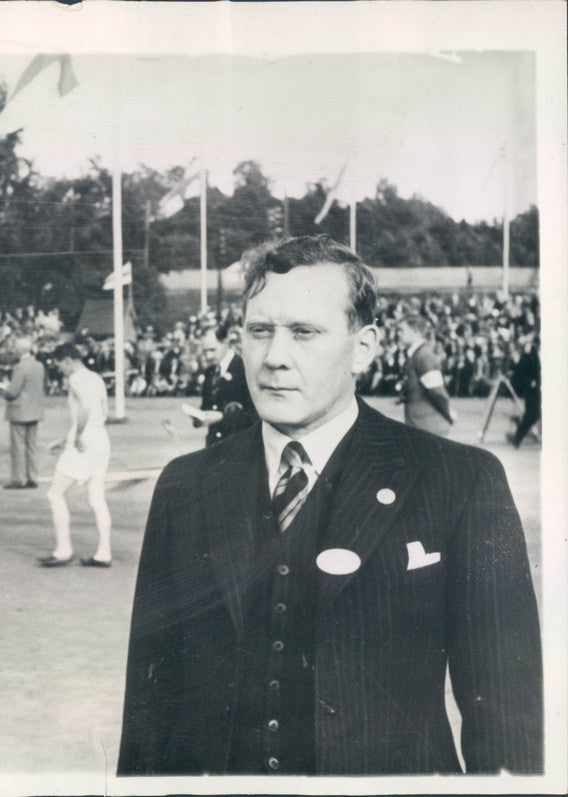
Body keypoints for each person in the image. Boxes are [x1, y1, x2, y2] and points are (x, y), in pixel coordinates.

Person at [118, 234, 541, 775]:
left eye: (304, 333)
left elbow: (508, 715)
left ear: (362, 348)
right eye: (259, 331)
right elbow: (149, 710)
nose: (274, 357)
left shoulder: (461, 480)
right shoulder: (185, 484)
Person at [40, 343, 113, 568]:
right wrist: (66, 439)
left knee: (55, 494)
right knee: (97, 499)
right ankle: (104, 553)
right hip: (100, 440)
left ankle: (63, 550)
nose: (60, 369)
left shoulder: (76, 379)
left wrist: (77, 436)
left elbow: (84, 409)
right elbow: (103, 412)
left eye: (60, 364)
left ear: (69, 360)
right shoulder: (96, 378)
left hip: (84, 442)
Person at [197, 321, 257, 445]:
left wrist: (222, 417)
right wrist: (199, 418)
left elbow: (256, 415)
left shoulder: (245, 369)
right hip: (214, 445)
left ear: (226, 343)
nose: (208, 356)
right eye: (205, 351)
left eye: (212, 350)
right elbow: (207, 407)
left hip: (239, 445)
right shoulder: (210, 372)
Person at [396, 315, 454, 437]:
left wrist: (448, 414)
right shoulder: (415, 355)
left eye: (402, 330)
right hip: (419, 426)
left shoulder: (424, 355)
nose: (398, 334)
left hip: (428, 428)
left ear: (416, 331)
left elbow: (437, 392)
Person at [2, 335, 46, 489]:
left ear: (19, 350)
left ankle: (19, 479)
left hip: (20, 410)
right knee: (32, 445)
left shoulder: (20, 367)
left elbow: (13, 391)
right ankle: (32, 477)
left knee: (18, 446)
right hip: (35, 409)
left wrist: (4, 391)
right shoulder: (39, 365)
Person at [508, 332, 541, 447]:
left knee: (533, 414)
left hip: (537, 389)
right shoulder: (530, 353)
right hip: (533, 390)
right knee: (532, 414)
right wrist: (530, 382)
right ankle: (517, 437)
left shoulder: (532, 353)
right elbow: (521, 371)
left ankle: (518, 437)